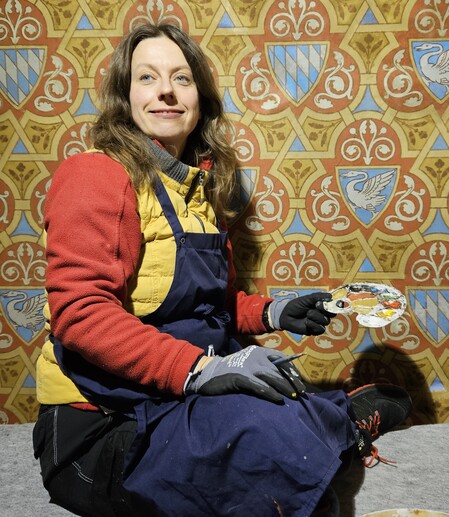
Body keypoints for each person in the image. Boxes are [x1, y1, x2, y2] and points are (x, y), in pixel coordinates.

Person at [33, 23, 412, 517]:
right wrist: (203, 369)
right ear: (125, 98)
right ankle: (332, 424)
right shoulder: (95, 173)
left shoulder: (200, 190)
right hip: (106, 425)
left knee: (280, 385)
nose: (166, 90)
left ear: (200, 100)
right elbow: (80, 314)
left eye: (181, 78)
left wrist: (276, 312)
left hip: (176, 394)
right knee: (275, 449)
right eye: (147, 77)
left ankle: (324, 420)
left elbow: (210, 308)